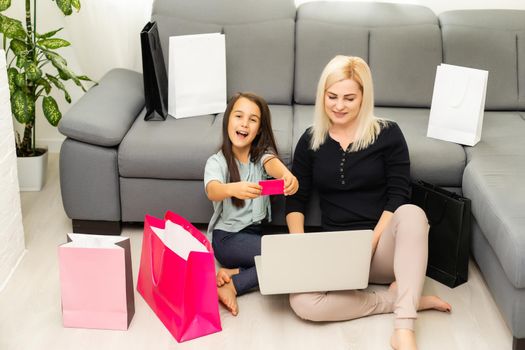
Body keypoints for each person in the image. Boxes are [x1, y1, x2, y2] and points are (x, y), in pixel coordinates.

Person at [285, 56, 451, 350]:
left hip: (382, 249)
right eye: (332, 96)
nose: (339, 105)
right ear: (322, 95)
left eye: (349, 98)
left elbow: (398, 195)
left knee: (412, 213)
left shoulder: (388, 133)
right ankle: (397, 299)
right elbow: (296, 198)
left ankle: (404, 327)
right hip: (338, 252)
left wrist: (370, 244)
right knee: (302, 302)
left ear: (364, 98)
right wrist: (300, 250)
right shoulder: (310, 140)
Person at [204, 92, 299, 316]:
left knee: (288, 255)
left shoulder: (261, 157)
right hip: (227, 238)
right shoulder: (217, 161)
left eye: (253, 119)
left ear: (259, 129)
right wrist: (232, 188)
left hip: (253, 235)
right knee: (285, 257)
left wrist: (287, 176)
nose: (244, 124)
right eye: (239, 116)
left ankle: (233, 272)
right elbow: (212, 190)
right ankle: (233, 285)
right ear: (228, 120)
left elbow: (272, 163)